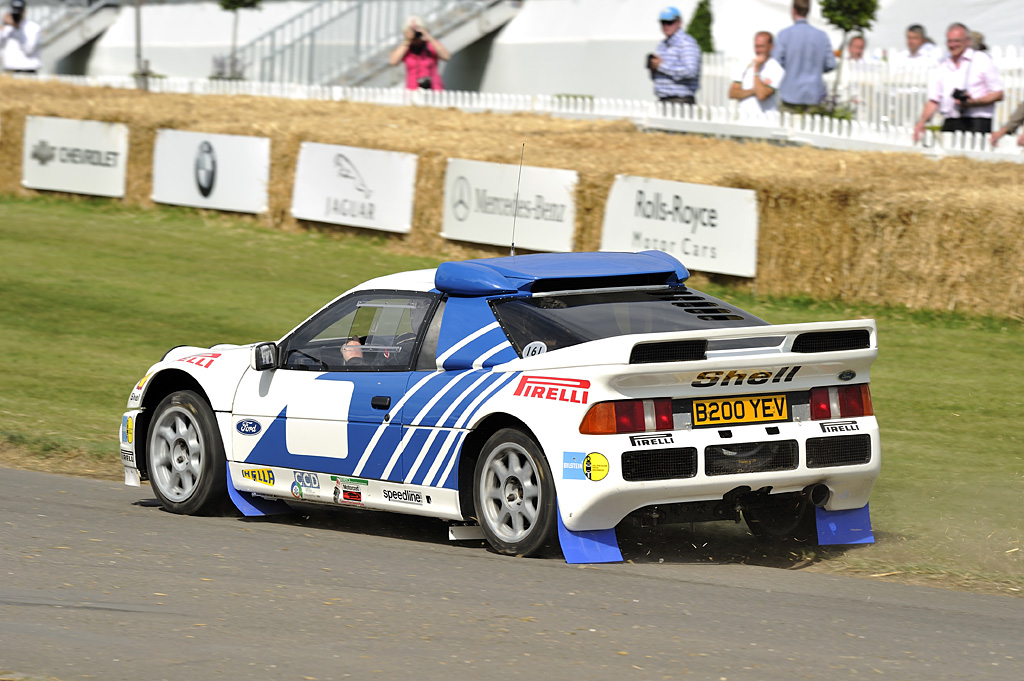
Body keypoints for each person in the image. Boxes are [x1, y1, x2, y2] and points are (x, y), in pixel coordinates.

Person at [913, 23, 1003, 141]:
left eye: (957, 41)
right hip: (951, 119)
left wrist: (974, 102)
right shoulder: (944, 65)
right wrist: (922, 122)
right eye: (950, 41)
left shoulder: (981, 60)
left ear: (967, 41)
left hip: (977, 120)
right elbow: (933, 99)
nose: (953, 45)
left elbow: (999, 93)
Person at [772, 0, 835, 113]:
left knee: (786, 128)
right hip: (814, 94)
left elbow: (776, 61)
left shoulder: (784, 34)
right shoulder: (821, 36)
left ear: (793, 10)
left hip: (790, 93)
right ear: (808, 11)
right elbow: (830, 64)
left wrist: (791, 67)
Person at [647, 6, 701, 105]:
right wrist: (654, 69)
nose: (666, 26)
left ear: (679, 22)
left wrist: (661, 66)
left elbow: (690, 72)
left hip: (680, 101)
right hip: (662, 99)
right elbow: (660, 76)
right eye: (663, 22)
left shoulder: (687, 43)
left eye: (669, 22)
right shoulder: (662, 45)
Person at [729, 31, 784, 116]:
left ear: (771, 47)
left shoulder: (776, 69)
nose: (758, 50)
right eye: (756, 46)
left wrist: (756, 69)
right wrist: (754, 90)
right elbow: (732, 93)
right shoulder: (745, 65)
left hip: (766, 120)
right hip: (744, 118)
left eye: (762, 46)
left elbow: (761, 95)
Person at [388, 16, 449, 91]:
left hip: (434, 90)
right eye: (412, 30)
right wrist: (407, 40)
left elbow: (446, 56)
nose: (415, 33)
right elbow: (393, 61)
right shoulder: (406, 47)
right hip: (412, 91)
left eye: (417, 29)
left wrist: (428, 37)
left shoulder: (430, 45)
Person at [1, 0, 41, 74]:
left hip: (27, 70)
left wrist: (17, 28)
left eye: (19, 11)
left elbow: (29, 50)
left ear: (24, 11)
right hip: (9, 70)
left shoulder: (33, 27)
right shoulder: (7, 28)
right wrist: (3, 26)